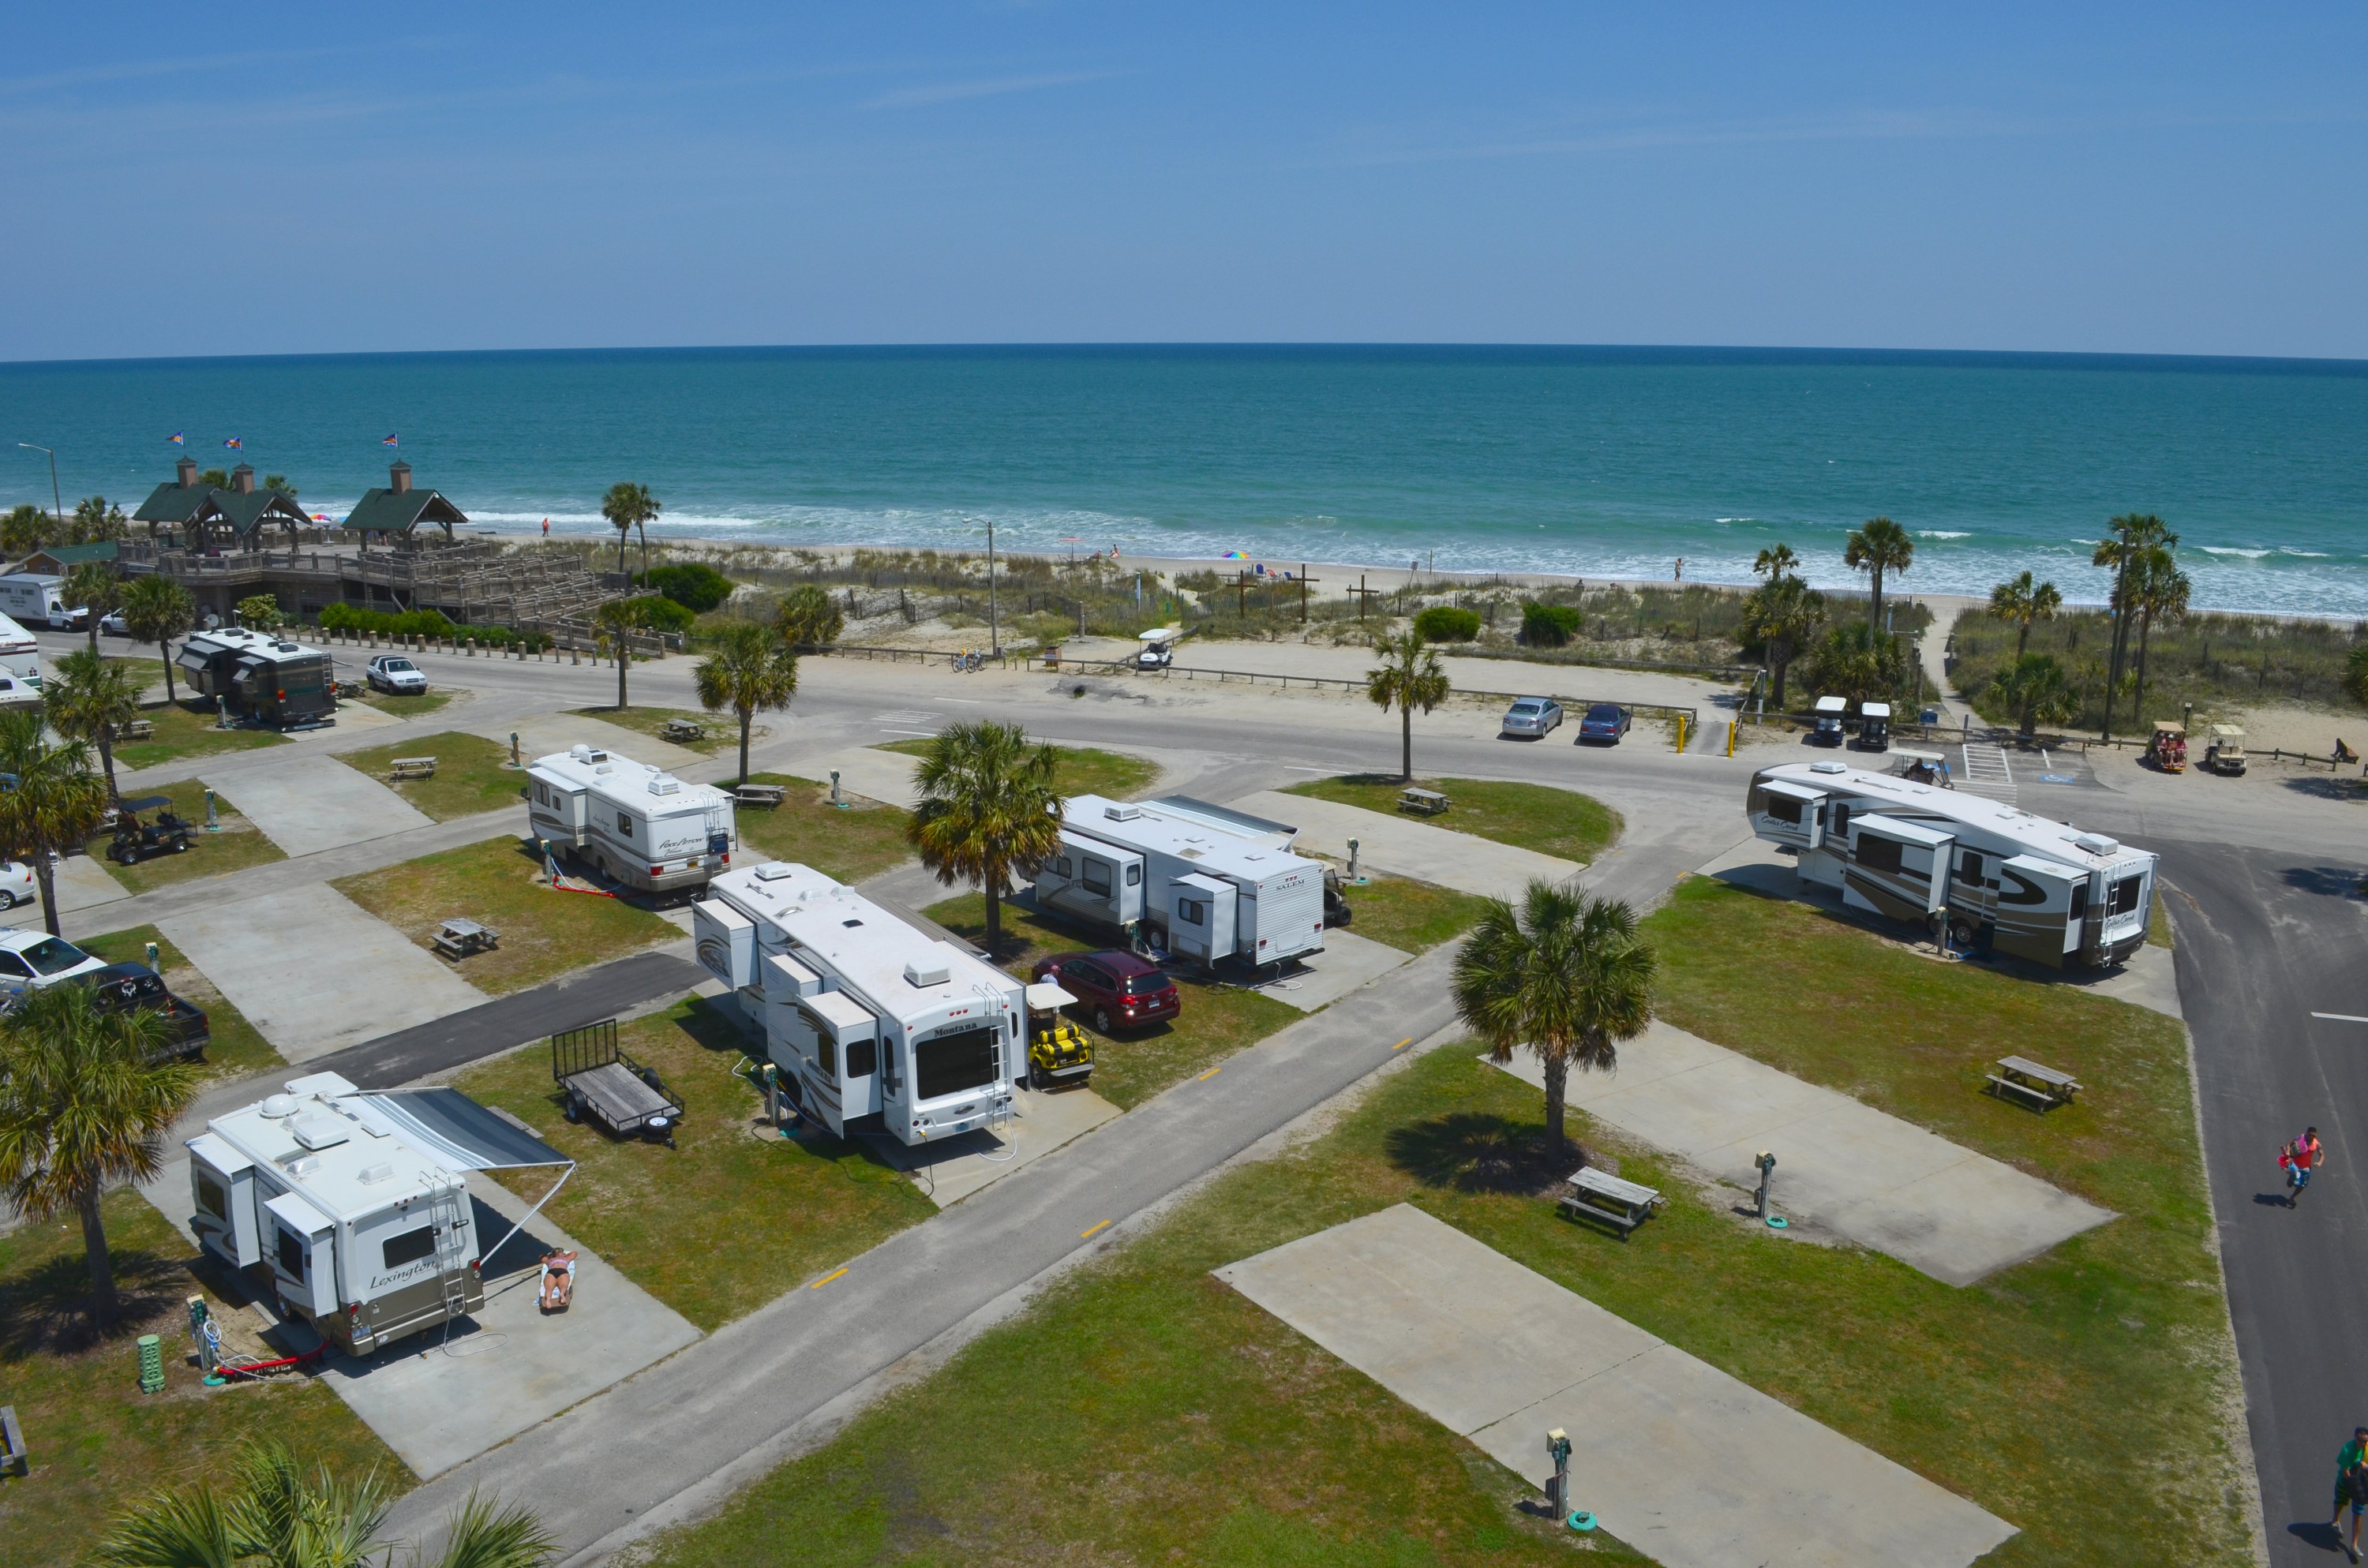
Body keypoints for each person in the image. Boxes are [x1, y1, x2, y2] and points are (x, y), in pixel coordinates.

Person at [2284, 1126, 2325, 1205]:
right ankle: (2291, 1179)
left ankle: (2292, 1197)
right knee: (2291, 1184)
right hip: (2295, 1165)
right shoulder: (2300, 1138)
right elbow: (2289, 1144)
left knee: (2302, 1185)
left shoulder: (2317, 1144)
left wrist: (2320, 1162)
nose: (2312, 1137)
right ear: (2307, 1134)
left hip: (2306, 1168)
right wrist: (2288, 1151)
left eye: (2314, 1135)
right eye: (2310, 1135)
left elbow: (2322, 1155)